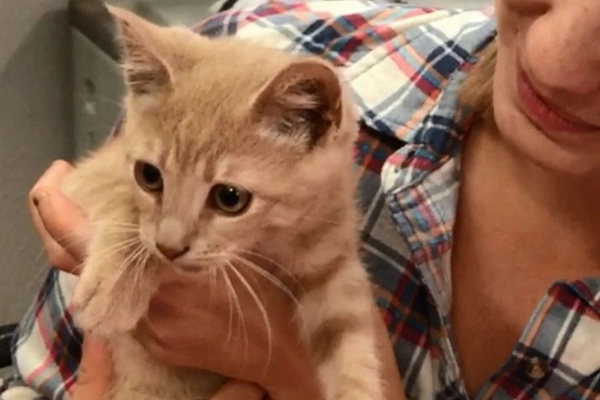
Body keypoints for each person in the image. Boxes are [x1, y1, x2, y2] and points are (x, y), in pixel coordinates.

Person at [11, 0, 600, 399]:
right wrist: (115, 221)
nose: (552, 62)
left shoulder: (310, 156)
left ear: (318, 128)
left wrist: (290, 371)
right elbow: (37, 375)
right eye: (152, 180)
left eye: (230, 196)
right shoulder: (254, 45)